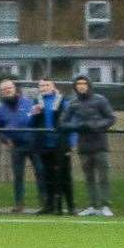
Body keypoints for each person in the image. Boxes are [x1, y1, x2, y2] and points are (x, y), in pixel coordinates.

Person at [62, 75, 116, 217]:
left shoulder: (100, 100)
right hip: (83, 145)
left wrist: (95, 125)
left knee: (103, 177)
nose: (81, 86)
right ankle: (93, 205)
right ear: (75, 86)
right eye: (78, 83)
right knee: (89, 177)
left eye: (84, 83)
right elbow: (63, 123)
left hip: (100, 144)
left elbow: (111, 118)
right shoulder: (73, 103)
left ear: (89, 85)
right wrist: (78, 126)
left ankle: (105, 206)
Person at [28, 79, 73, 214]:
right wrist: (33, 114)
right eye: (41, 85)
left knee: (63, 175)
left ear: (53, 86)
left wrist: (71, 143)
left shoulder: (63, 100)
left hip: (60, 144)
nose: (44, 88)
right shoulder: (37, 102)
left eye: (47, 85)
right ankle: (49, 205)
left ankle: (69, 206)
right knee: (47, 175)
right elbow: (30, 124)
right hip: (43, 144)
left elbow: (70, 122)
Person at [0, 80, 38, 212]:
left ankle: (46, 203)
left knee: (40, 172)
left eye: (9, 88)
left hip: (33, 144)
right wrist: (5, 139)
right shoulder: (1, 108)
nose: (7, 90)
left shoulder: (28, 102)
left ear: (14, 88)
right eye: (4, 89)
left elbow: (37, 121)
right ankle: (19, 204)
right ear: (1, 92)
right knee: (18, 176)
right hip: (16, 146)